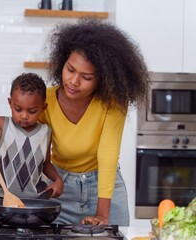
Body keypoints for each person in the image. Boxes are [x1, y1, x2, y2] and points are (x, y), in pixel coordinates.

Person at [39, 19, 150, 226]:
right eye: (70, 69)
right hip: (60, 189)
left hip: (105, 191)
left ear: (104, 79)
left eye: (86, 77)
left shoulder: (113, 102)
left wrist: (102, 213)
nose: (73, 81)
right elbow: (33, 149)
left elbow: (108, 152)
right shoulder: (45, 100)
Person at [0, 73, 63, 199]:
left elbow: (46, 163)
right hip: (2, 196)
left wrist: (57, 179)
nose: (24, 115)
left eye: (32, 111)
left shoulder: (46, 132)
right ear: (10, 103)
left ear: (43, 108)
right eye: (18, 109)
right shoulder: (3, 124)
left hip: (34, 199)